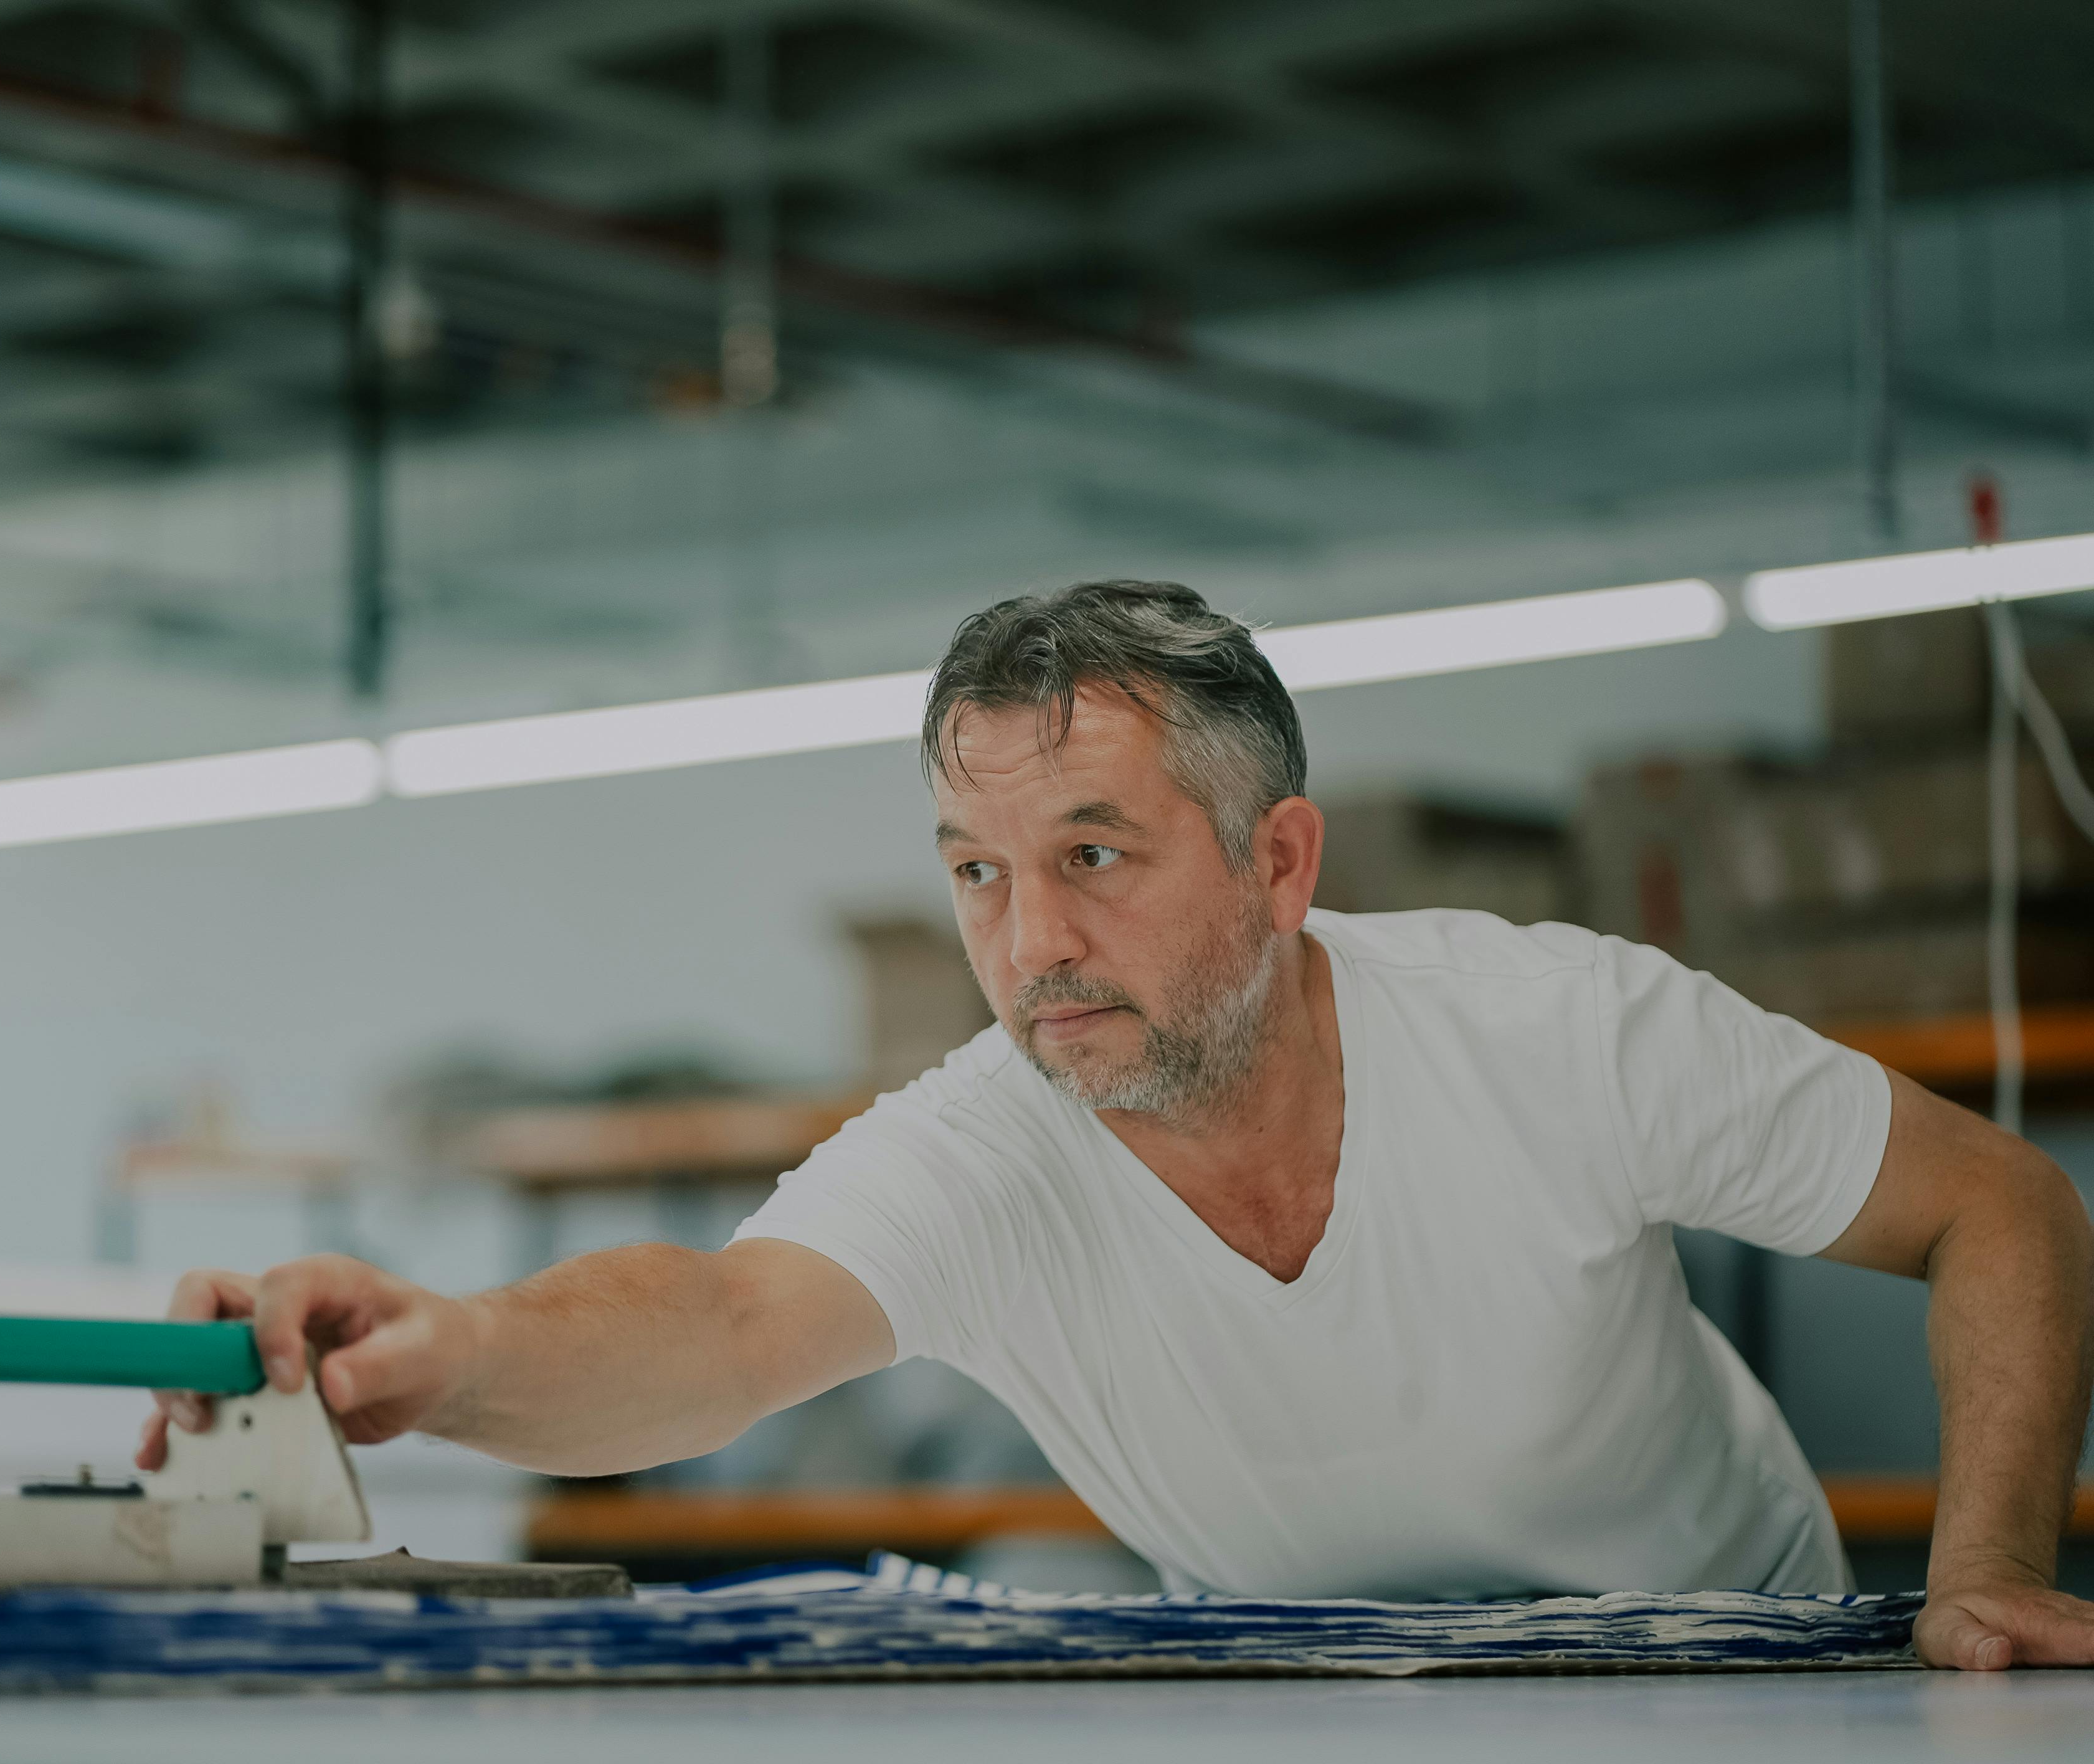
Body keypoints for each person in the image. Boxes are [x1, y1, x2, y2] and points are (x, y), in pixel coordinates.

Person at [138, 579, 2094, 1670]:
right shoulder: (991, 1145)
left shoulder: (1558, 1028)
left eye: (1093, 853)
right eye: (977, 874)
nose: (1034, 944)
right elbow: (717, 1332)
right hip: (1319, 1703)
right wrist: (450, 1352)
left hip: (1725, 1685)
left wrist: (1989, 1560)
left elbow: (2001, 1207)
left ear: (1280, 861)